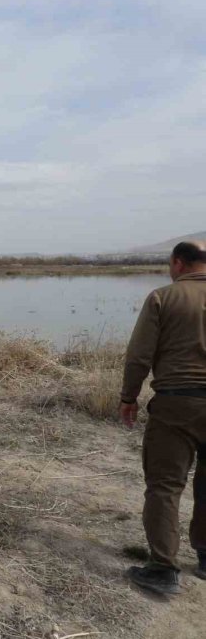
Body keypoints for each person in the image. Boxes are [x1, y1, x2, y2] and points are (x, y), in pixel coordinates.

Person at [120, 240, 206, 595]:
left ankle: (163, 568)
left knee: (165, 486)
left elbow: (139, 355)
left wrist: (129, 397)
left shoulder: (163, 297)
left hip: (177, 403)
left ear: (178, 262)